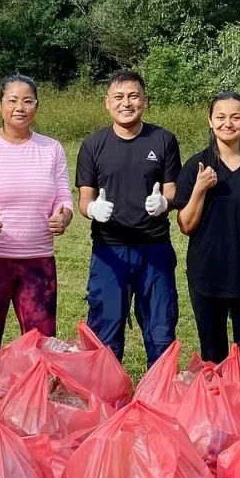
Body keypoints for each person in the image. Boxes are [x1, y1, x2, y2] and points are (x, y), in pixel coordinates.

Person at [0, 75, 74, 375]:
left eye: (27, 100)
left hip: (38, 264)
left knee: (41, 346)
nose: (19, 107)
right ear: (0, 105)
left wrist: (64, 217)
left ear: (36, 106)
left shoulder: (51, 148)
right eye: (12, 100)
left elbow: (64, 196)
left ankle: (34, 414)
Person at [173, 92, 240, 419]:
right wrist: (200, 188)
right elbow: (185, 225)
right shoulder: (197, 166)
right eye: (220, 117)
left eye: (235, 117)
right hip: (207, 274)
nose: (227, 123)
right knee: (212, 352)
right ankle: (215, 420)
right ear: (210, 121)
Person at [76, 70, 180, 365]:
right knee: (105, 334)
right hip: (110, 251)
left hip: (154, 249)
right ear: (107, 103)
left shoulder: (163, 140)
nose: (126, 103)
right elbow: (84, 198)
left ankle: (158, 402)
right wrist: (93, 209)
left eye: (133, 96)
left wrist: (164, 203)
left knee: (160, 331)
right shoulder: (93, 145)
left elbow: (172, 191)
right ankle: (106, 405)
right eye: (119, 97)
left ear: (144, 101)